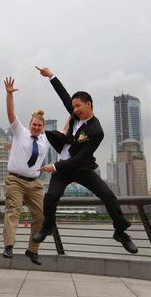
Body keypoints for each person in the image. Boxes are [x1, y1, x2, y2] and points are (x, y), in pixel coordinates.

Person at [33, 66, 138, 254]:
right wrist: (51, 76)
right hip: (64, 168)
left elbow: (80, 158)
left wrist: (54, 166)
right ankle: (48, 226)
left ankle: (121, 232)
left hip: (81, 167)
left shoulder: (96, 131)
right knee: (51, 196)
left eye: (78, 106)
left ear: (88, 104)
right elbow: (64, 95)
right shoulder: (75, 114)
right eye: (73, 107)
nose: (75, 110)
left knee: (107, 195)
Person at [2, 77, 51, 265]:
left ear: (43, 127)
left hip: (35, 183)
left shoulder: (45, 140)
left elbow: (65, 131)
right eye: (34, 124)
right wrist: (9, 94)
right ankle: (9, 246)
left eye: (39, 126)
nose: (36, 127)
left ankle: (33, 249)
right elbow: (10, 112)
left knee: (41, 216)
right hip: (15, 180)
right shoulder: (19, 132)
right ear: (30, 124)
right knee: (13, 211)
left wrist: (73, 114)